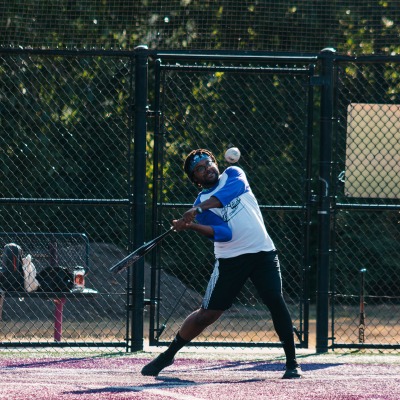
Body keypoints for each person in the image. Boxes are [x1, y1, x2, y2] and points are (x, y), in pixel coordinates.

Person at [141, 149, 302, 379]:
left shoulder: (233, 175)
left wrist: (197, 210)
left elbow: (229, 194)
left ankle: (292, 363)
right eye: (200, 169)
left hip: (262, 253)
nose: (207, 169)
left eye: (208, 164)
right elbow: (224, 234)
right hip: (230, 260)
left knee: (275, 300)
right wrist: (191, 225)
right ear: (195, 179)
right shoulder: (200, 204)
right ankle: (168, 355)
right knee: (206, 315)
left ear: (216, 164)